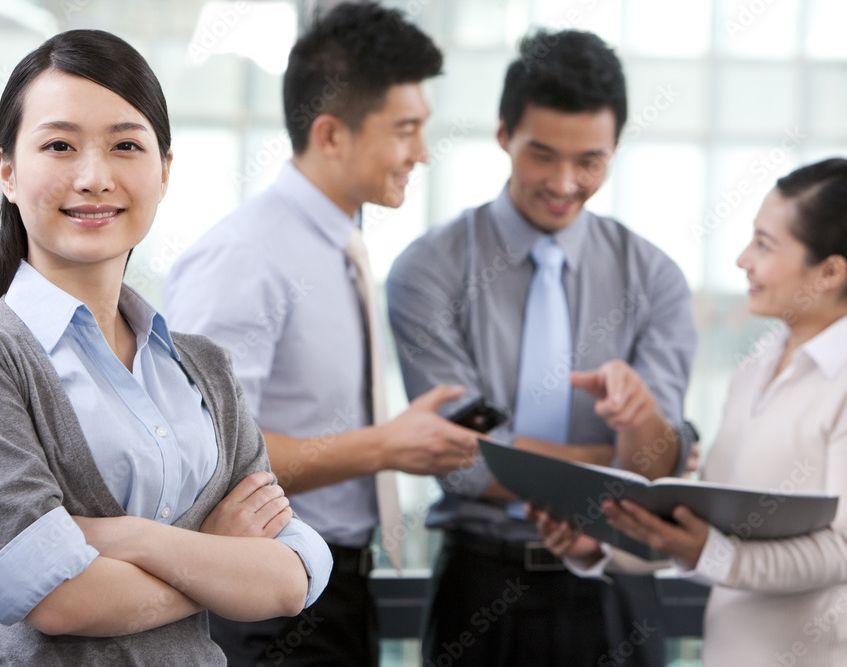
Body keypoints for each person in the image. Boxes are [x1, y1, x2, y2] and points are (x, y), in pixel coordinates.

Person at [0, 29, 331, 666]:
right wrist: (213, 553)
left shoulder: (203, 368)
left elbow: (292, 574)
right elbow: (56, 597)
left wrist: (131, 538)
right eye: (59, 145)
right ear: (7, 171)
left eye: (126, 145)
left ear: (163, 171)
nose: (94, 176)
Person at [163, 4, 480, 665]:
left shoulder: (340, 245)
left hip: (337, 588)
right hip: (263, 599)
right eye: (406, 130)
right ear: (331, 135)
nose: (421, 152)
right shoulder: (247, 256)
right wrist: (384, 446)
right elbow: (205, 459)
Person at [386, 29, 698, 665]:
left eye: (589, 160)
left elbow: (655, 464)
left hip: (617, 584)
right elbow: (461, 458)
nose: (563, 182)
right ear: (503, 134)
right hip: (480, 587)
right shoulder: (430, 269)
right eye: (541, 154)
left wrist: (642, 427)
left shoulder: (655, 277)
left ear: (614, 148)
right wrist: (616, 464)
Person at [534, 158, 847, 666]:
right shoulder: (756, 367)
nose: (744, 259)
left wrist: (710, 551)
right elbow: (698, 531)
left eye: (765, 245)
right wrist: (595, 547)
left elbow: (841, 552)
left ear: (831, 271)